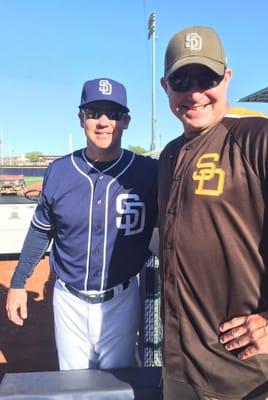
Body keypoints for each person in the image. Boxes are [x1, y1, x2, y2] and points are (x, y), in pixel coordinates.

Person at [158, 26, 268, 399]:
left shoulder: (266, 138)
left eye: (207, 77)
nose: (194, 92)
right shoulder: (168, 156)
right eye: (181, 80)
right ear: (165, 87)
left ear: (228, 78)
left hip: (245, 376)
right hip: (177, 372)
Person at [6, 77, 157, 370]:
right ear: (80, 119)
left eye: (112, 113)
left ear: (125, 121)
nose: (103, 121)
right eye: (93, 112)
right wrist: (18, 282)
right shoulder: (59, 171)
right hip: (68, 301)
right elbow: (40, 230)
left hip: (122, 299)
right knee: (74, 386)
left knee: (117, 384)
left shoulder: (148, 172)